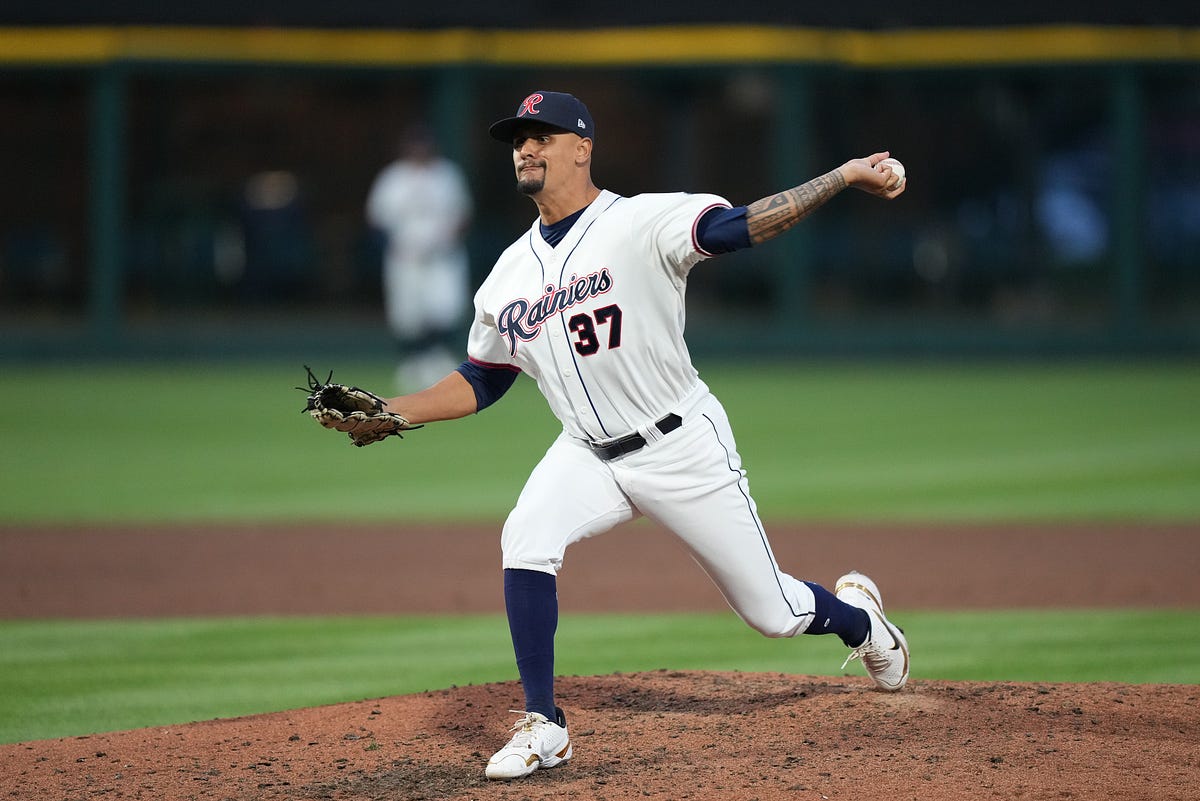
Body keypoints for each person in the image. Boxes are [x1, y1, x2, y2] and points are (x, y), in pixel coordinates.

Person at [365, 91, 909, 780]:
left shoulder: (642, 220)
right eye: (518, 139)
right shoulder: (507, 273)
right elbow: (483, 377)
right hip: (585, 450)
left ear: (583, 147)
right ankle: (544, 723)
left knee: (771, 611)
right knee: (526, 535)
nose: (526, 148)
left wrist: (842, 175)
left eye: (543, 135)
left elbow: (741, 226)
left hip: (681, 444)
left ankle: (861, 621)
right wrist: (395, 411)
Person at [366, 122, 473, 391]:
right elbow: (376, 219)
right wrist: (397, 244)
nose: (419, 152)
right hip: (406, 258)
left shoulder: (447, 175)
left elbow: (463, 214)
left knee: (444, 309)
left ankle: (437, 360)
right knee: (408, 315)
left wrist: (446, 237)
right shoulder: (393, 178)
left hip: (441, 256)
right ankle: (413, 363)